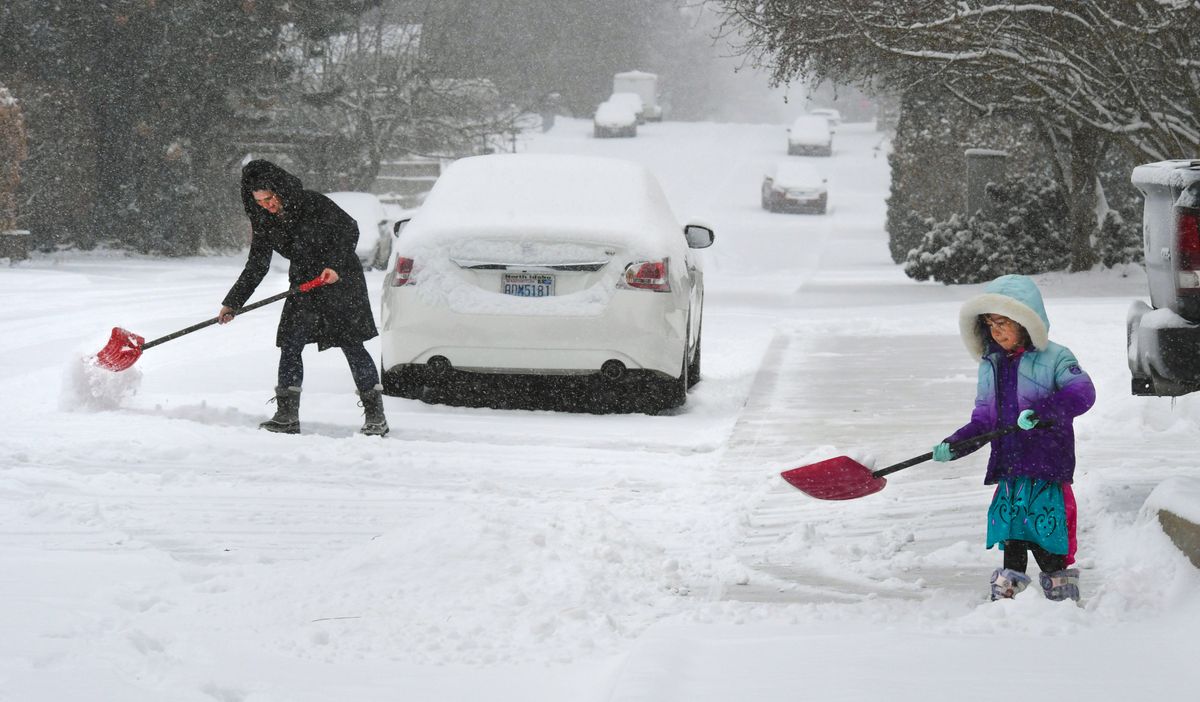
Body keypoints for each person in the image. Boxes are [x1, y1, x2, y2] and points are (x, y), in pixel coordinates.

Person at [931, 274, 1095, 602]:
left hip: (1046, 466)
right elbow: (985, 419)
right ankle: (1008, 601)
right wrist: (956, 444)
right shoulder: (991, 364)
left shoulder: (1055, 358)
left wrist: (1043, 412)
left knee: (1046, 537)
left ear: (1025, 321)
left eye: (1004, 322)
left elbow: (1083, 393)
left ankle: (1061, 600)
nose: (997, 331)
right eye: (991, 324)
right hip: (1011, 468)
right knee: (1012, 536)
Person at [218, 159, 388, 437]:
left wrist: (334, 265)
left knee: (351, 344)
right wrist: (233, 302)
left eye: (269, 198)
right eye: (259, 201)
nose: (266, 205)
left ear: (280, 190)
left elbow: (350, 230)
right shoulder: (263, 220)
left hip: (339, 278)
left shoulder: (312, 203)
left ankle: (376, 417)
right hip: (305, 284)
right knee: (290, 343)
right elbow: (257, 264)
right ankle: (286, 416)